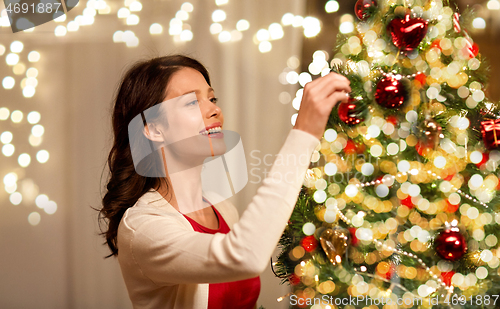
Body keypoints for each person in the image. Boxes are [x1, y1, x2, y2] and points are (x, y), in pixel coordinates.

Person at [99, 54, 351, 309]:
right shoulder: (143, 226)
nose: (214, 109)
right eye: (190, 102)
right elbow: (245, 256)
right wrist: (304, 133)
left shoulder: (223, 209)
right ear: (154, 129)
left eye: (211, 98)